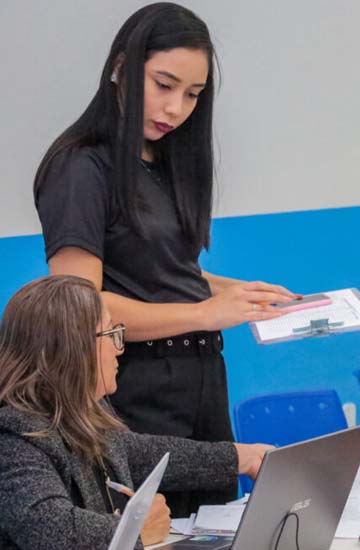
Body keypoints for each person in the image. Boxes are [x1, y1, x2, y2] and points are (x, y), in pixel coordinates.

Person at [33, 3, 296, 516]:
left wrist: (231, 292)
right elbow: (79, 309)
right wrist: (203, 312)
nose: (176, 107)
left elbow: (160, 268)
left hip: (200, 384)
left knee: (214, 546)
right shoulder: (81, 166)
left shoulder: (165, 160)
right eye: (164, 84)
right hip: (132, 394)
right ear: (121, 68)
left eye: (193, 95)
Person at [0, 276, 272, 550]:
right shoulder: (15, 435)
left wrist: (240, 457)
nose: (120, 349)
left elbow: (140, 453)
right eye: (112, 334)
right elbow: (50, 532)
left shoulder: (84, 414)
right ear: (74, 349)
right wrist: (134, 530)